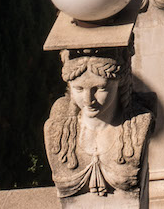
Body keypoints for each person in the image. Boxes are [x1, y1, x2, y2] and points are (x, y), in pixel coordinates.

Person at [44, 48, 153, 199]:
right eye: (79, 89)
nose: (88, 100)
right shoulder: (56, 129)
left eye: (100, 88)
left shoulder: (139, 123)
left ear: (120, 82)